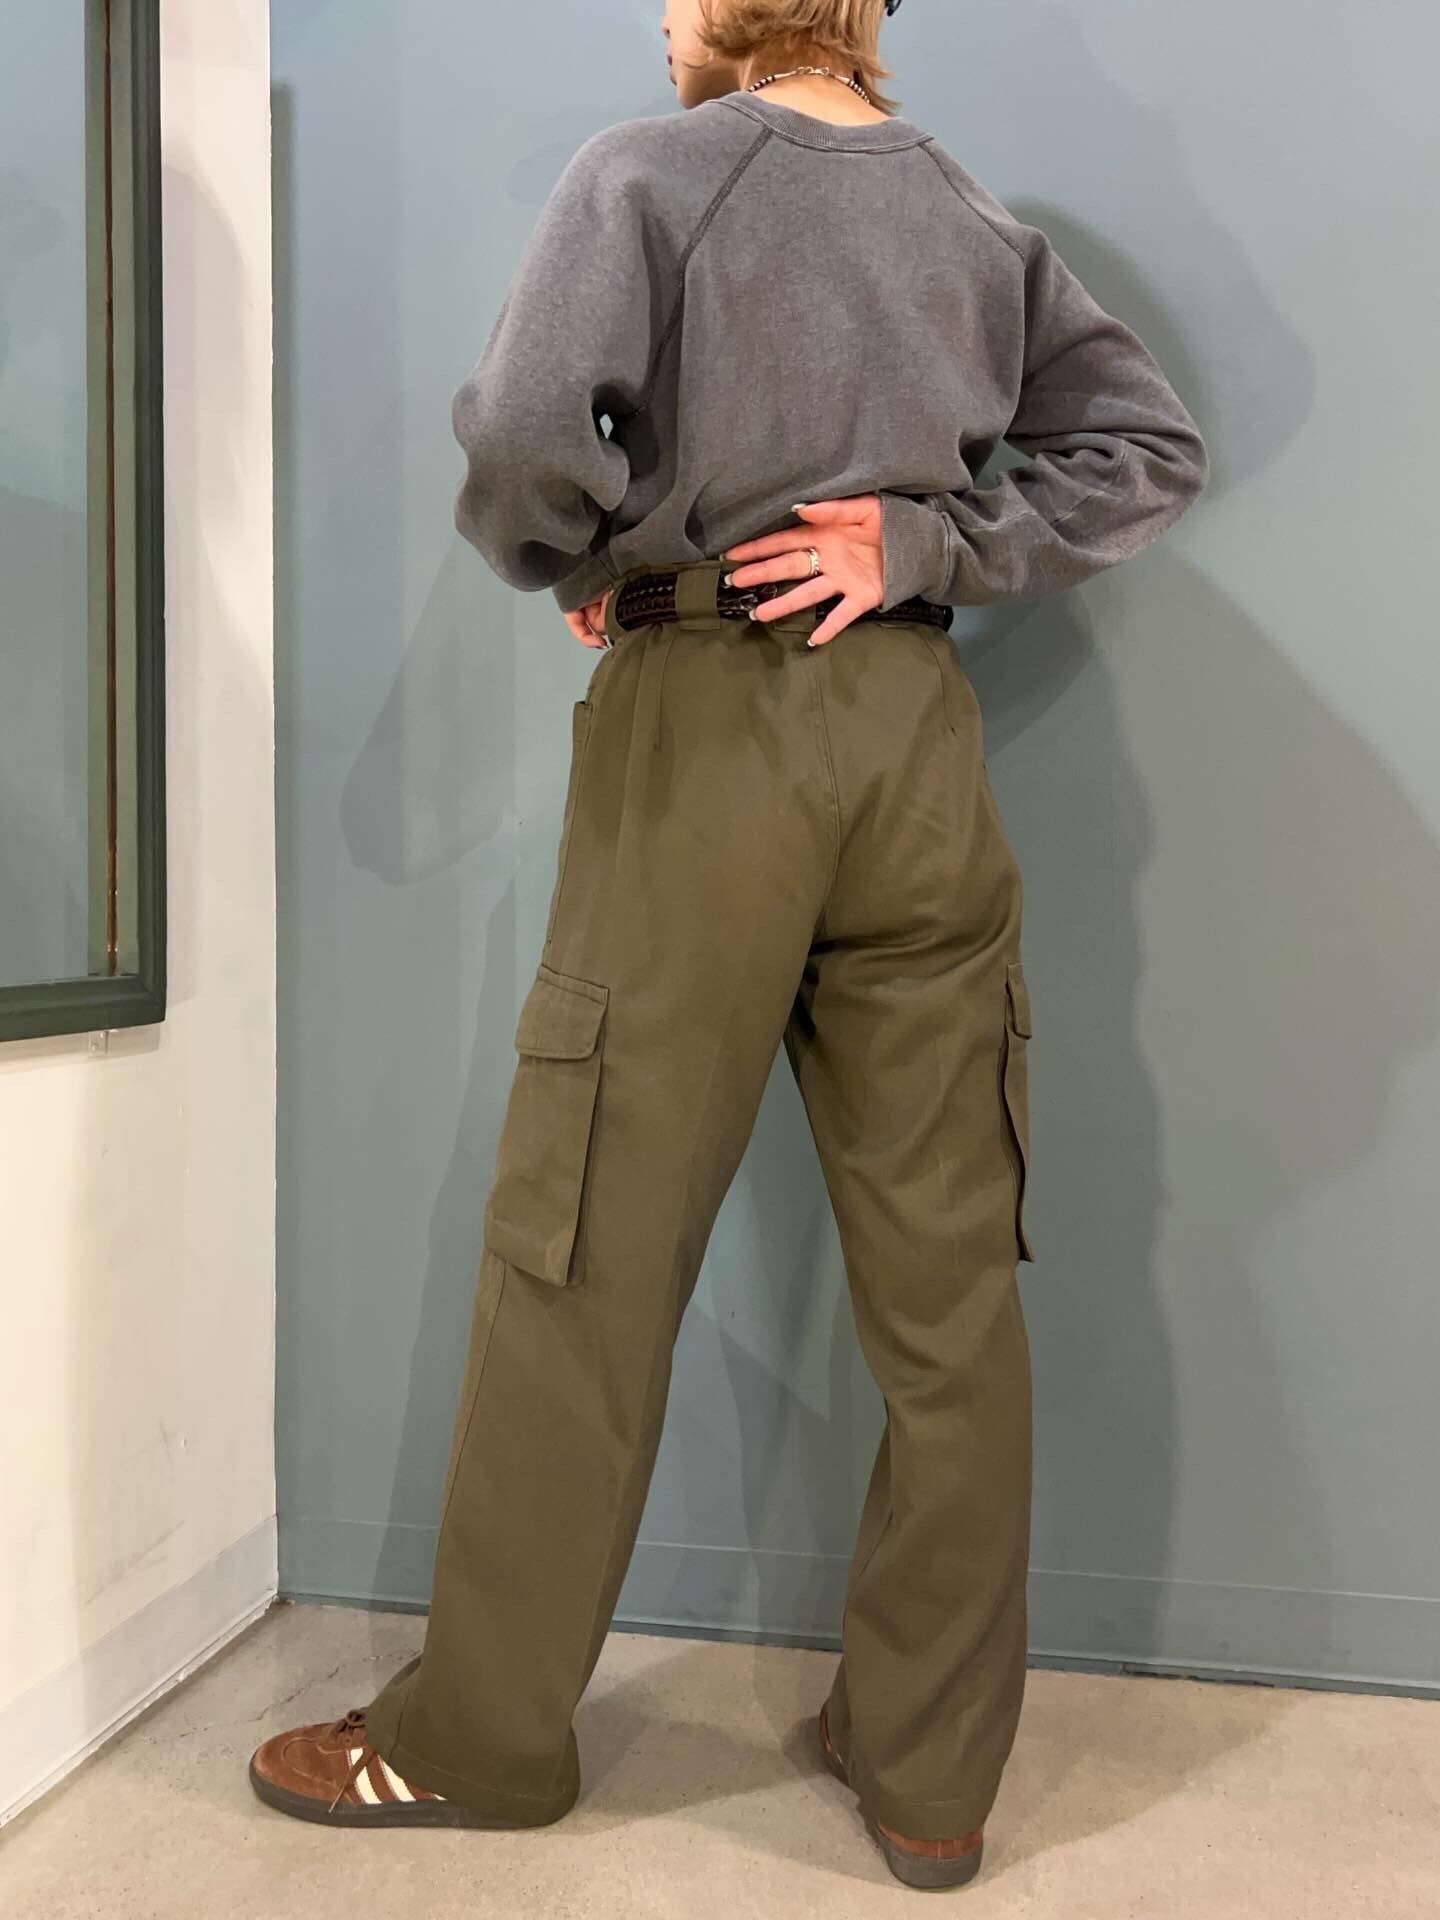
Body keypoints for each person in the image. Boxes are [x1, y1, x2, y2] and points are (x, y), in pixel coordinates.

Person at [249, 0, 1208, 1892]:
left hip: (709, 735)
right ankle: (929, 1771)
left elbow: (526, 439)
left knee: (586, 1247)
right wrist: (923, 551)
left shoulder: (648, 173)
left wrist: (594, 557)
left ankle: (476, 1738)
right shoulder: (971, 216)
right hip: (915, 744)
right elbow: (1146, 445)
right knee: (949, 1289)